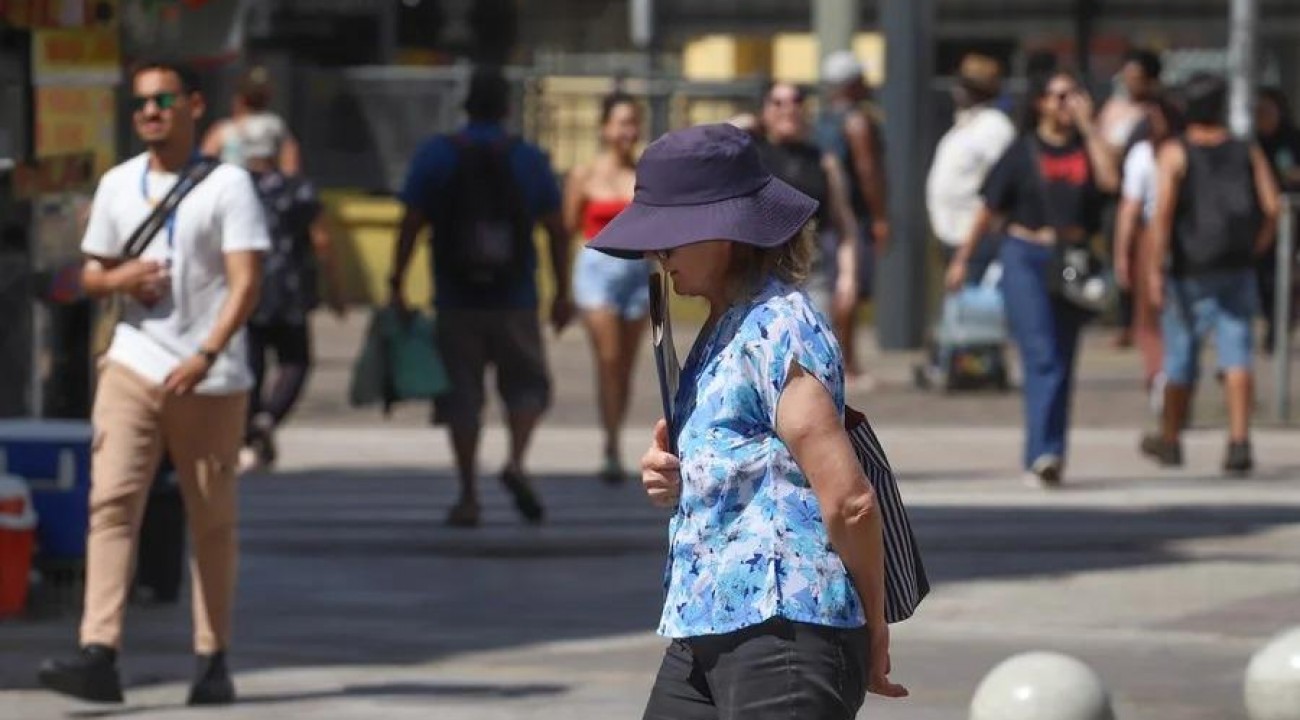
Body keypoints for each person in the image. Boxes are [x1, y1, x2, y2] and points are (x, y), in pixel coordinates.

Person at [588, 123, 907, 718]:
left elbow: (851, 501)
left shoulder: (781, 326)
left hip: (783, 625)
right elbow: (760, 468)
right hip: (708, 619)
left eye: (672, 236)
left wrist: (874, 620)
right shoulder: (722, 325)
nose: (658, 255)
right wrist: (681, 478)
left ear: (728, 233)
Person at [38, 60, 270, 705]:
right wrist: (122, 281)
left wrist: (206, 351)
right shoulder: (118, 184)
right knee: (110, 504)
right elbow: (90, 275)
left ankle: (212, 658)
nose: (151, 112)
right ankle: (99, 652)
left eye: (164, 100)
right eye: (141, 103)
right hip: (134, 363)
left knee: (211, 521)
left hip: (209, 376)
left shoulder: (228, 187)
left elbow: (246, 283)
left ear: (193, 106)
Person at [389, 66, 574, 527]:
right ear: (508, 109)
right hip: (516, 296)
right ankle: (514, 462)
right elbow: (555, 228)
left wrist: (396, 280)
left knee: (462, 396)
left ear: (465, 106)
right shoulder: (528, 158)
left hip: (455, 298)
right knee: (528, 386)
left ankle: (468, 495)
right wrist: (562, 291)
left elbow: (411, 221)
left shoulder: (437, 154)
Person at [945, 70, 1119, 488]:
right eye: (1059, 96)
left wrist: (1089, 128)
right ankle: (1042, 453)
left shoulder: (1086, 146)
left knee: (1063, 358)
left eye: (1074, 95)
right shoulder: (1022, 151)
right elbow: (988, 206)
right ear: (1040, 102)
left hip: (1073, 259)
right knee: (1040, 354)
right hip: (1025, 254)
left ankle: (1051, 451)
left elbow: (1111, 181)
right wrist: (963, 259)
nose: (1066, 103)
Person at [1140, 74, 1280, 475]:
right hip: (1236, 266)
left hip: (1189, 270)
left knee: (1181, 358)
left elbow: (1162, 216)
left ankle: (1170, 438)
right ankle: (1238, 440)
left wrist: (1154, 269)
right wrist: (1258, 246)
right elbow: (1271, 207)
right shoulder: (1244, 150)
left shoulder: (1175, 152)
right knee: (1237, 356)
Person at [238, 133, 347, 472]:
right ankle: (267, 419)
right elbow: (322, 240)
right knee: (295, 360)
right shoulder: (297, 189)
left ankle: (251, 430)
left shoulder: (234, 190)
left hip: (249, 288)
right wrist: (335, 287)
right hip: (289, 289)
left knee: (251, 365)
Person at [563, 92, 648, 484]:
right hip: (596, 270)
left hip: (636, 273)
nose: (627, 131)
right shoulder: (584, 174)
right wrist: (562, 291)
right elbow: (565, 231)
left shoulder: (646, 176)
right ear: (604, 128)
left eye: (633, 122)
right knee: (609, 359)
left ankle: (614, 434)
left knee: (626, 367)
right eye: (620, 122)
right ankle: (611, 445)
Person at [751, 81, 859, 338]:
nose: (788, 108)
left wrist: (848, 276)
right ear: (765, 111)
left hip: (810, 270)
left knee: (813, 345)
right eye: (778, 102)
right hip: (758, 269)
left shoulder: (823, 161)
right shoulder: (752, 156)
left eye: (796, 101)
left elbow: (845, 224)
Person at [816, 50, 889, 383]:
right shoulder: (857, 121)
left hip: (825, 217)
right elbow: (867, 170)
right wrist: (879, 216)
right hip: (851, 216)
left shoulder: (822, 121)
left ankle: (839, 356)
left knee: (836, 286)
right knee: (850, 286)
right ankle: (848, 361)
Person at [1113, 94, 1182, 412]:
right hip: (1187, 237)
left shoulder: (1146, 153)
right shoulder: (1188, 150)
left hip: (1154, 234)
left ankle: (1161, 377)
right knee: (1175, 315)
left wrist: (1121, 252)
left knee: (1150, 317)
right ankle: (1172, 378)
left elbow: (1130, 207)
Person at [926, 54, 1015, 279]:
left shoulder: (994, 126)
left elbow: (1000, 190)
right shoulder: (968, 122)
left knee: (973, 311)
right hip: (955, 239)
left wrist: (965, 254)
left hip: (977, 243)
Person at [1098, 49, 1164, 348]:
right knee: (1120, 258)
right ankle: (1126, 320)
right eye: (1127, 77)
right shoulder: (1113, 109)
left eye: (1137, 78)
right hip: (1119, 194)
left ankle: (1151, 318)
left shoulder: (1159, 112)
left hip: (1152, 197)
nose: (1131, 83)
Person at [1254, 87, 1300, 352]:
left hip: (1291, 217)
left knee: (1280, 274)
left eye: (1268, 111)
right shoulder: (1253, 144)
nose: (1264, 117)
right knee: (1263, 276)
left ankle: (1278, 327)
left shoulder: (1292, 140)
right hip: (1263, 220)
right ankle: (1274, 322)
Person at [201, 65, 300, 175]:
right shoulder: (276, 125)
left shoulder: (223, 129)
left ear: (238, 98)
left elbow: (205, 163)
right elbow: (290, 169)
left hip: (234, 186)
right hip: (264, 186)